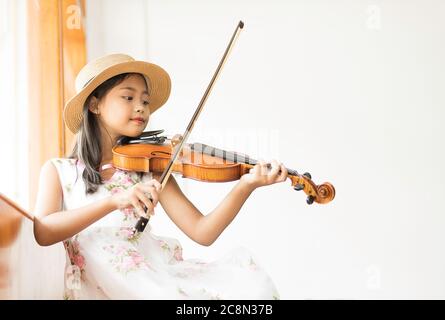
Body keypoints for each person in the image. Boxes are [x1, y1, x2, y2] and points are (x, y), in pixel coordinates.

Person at [33, 53, 288, 299]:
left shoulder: (149, 168)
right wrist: (114, 201)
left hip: (153, 284)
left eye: (145, 101)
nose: (141, 107)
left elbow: (203, 232)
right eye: (128, 97)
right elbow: (43, 231)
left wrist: (246, 185)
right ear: (94, 104)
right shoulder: (58, 171)